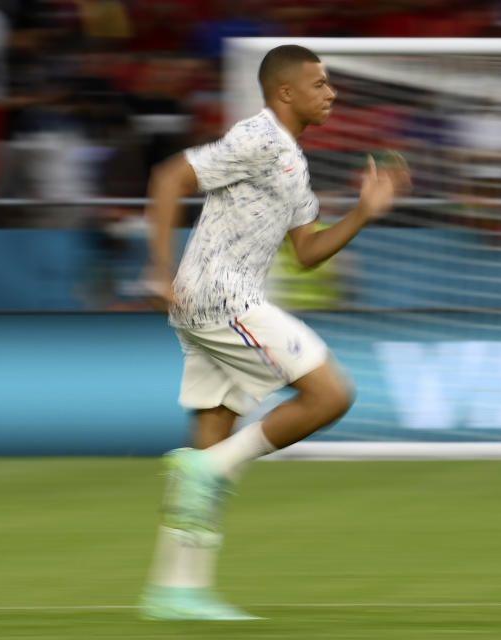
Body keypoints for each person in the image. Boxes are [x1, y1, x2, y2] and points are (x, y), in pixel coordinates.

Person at [138, 44, 409, 621]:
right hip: (223, 299)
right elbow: (169, 176)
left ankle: (177, 589)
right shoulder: (259, 137)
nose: (330, 92)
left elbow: (308, 252)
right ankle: (210, 471)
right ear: (286, 92)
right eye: (319, 83)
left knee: (211, 434)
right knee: (332, 394)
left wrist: (362, 212)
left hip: (207, 306)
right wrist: (157, 269)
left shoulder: (291, 161)